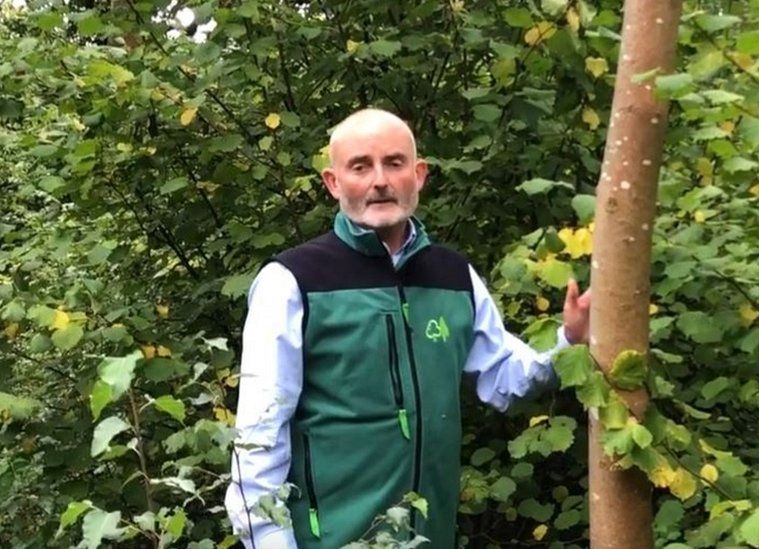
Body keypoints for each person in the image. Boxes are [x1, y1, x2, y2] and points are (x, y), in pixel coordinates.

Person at [224, 108, 591, 548]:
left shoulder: (453, 277)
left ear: (419, 175)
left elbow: (505, 377)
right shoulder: (293, 281)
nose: (380, 180)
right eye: (360, 166)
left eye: (394, 163)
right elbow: (257, 439)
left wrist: (569, 341)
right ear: (333, 183)